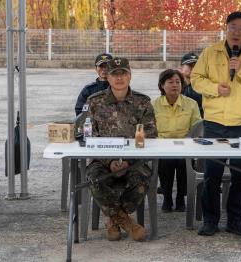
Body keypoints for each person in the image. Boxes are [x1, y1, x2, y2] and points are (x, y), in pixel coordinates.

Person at [192, 11, 241, 236]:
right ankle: (210, 220)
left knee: (240, 175)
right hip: (215, 122)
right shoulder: (210, 52)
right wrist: (215, 88)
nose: (236, 32)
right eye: (233, 27)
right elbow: (196, 79)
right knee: (212, 174)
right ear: (226, 28)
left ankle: (236, 221)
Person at [75, 57, 157, 242]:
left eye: (123, 73)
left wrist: (127, 162)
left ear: (130, 76)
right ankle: (127, 222)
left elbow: (150, 135)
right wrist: (110, 161)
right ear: (108, 77)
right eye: (115, 74)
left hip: (134, 161)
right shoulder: (94, 102)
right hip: (102, 160)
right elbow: (87, 135)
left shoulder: (142, 102)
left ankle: (113, 219)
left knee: (142, 180)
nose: (119, 78)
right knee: (95, 178)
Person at [152, 69, 200, 213]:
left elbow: (197, 128)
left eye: (178, 82)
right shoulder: (153, 105)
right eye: (170, 82)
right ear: (162, 85)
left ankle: (180, 197)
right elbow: (149, 130)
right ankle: (167, 197)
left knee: (183, 162)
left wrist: (189, 143)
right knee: (166, 163)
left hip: (185, 146)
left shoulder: (191, 104)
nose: (175, 85)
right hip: (162, 146)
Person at [179, 52, 203, 117]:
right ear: (181, 68)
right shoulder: (175, 86)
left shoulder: (204, 86)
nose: (193, 68)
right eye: (190, 65)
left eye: (196, 66)